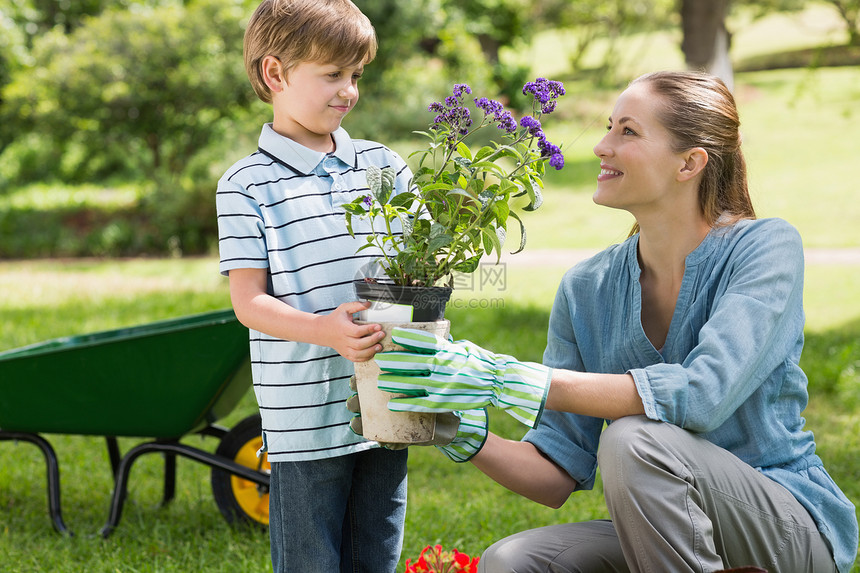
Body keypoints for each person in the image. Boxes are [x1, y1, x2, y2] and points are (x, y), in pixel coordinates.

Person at [371, 71, 859, 572]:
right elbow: (556, 470)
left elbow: (702, 394)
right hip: (671, 533)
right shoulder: (586, 289)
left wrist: (502, 378)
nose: (602, 146)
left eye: (628, 131)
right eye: (609, 127)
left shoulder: (764, 248)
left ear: (689, 163)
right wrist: (458, 433)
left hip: (785, 529)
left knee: (633, 439)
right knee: (513, 561)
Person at [215, 1, 414, 571]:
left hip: (384, 399)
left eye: (355, 75)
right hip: (303, 411)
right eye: (332, 74)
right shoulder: (247, 185)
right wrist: (325, 331)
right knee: (311, 560)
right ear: (275, 74)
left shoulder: (383, 167)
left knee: (377, 553)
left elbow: (413, 273)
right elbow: (248, 301)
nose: (349, 90)